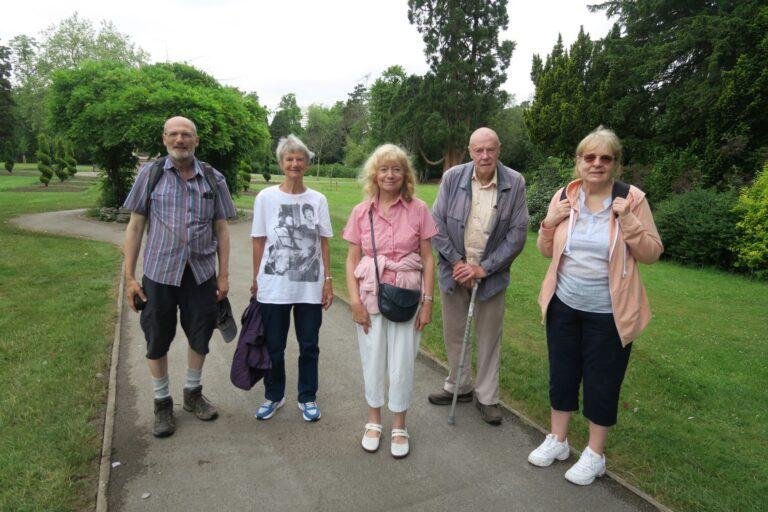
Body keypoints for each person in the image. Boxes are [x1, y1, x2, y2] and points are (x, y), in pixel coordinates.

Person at [528, 126, 663, 485]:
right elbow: (545, 250)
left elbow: (651, 253)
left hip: (610, 312)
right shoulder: (565, 195)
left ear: (616, 164)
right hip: (564, 304)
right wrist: (549, 222)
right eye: (590, 157)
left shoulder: (632, 199)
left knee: (602, 382)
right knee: (562, 373)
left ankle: (595, 454)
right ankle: (558, 440)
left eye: (606, 158)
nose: (597, 163)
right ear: (579, 162)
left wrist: (628, 220)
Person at [123, 116, 237, 438]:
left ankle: (192, 393)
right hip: (159, 273)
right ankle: (162, 402)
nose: (180, 139)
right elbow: (135, 227)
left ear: (196, 141)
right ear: (164, 139)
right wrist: (130, 278)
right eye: (173, 134)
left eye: (186, 134)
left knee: (200, 334)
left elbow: (222, 229)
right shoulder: (150, 174)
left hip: (200, 274)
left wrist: (224, 274)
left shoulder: (213, 178)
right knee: (157, 337)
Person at [428, 127, 528, 425]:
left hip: (491, 275)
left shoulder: (515, 182)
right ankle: (459, 386)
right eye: (479, 150)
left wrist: (483, 268)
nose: (485, 156)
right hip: (454, 271)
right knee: (454, 333)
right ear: (470, 151)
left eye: (490, 149)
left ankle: (487, 396)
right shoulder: (453, 177)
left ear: (499, 150)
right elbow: (436, 223)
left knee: (488, 337)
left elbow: (517, 234)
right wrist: (458, 263)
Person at [343, 144, 437, 458]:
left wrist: (427, 301)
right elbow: (351, 259)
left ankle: (399, 424)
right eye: (383, 169)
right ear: (375, 174)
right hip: (370, 294)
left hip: (408, 296)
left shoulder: (419, 209)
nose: (390, 175)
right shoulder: (361, 212)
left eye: (396, 169)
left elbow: (428, 258)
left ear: (405, 174)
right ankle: (373, 421)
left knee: (402, 362)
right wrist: (354, 301)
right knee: (372, 359)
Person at [250, 134, 333, 422]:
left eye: (300, 159)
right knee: (274, 346)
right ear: (281, 163)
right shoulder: (266, 198)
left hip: (310, 287)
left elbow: (324, 241)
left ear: (307, 164)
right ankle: (274, 395)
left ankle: (307, 396)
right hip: (274, 286)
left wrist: (328, 280)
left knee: (309, 345)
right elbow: (258, 240)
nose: (295, 164)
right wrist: (256, 278)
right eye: (289, 159)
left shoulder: (318, 199)